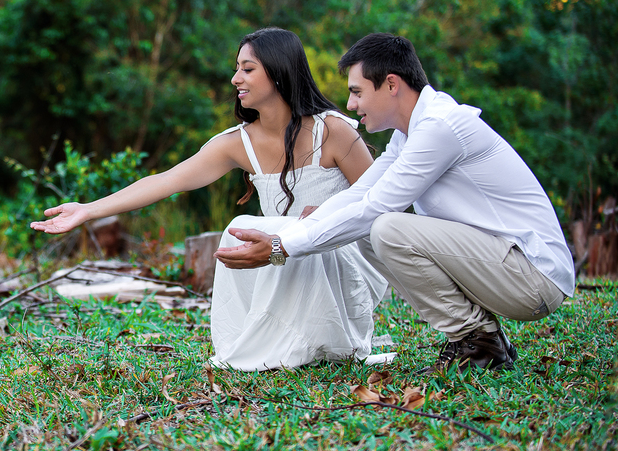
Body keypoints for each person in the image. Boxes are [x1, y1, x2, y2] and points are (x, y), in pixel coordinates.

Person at [31, 27, 391, 370]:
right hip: (284, 257)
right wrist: (87, 210)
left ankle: (319, 340)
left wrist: (327, 215)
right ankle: (259, 343)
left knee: (271, 229)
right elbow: (168, 180)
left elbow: (381, 206)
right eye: (236, 69)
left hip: (346, 265)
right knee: (243, 230)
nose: (236, 79)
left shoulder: (333, 132)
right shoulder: (239, 142)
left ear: (279, 73)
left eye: (247, 69)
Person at [215, 33, 575, 374]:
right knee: (373, 230)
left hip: (533, 279)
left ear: (391, 84)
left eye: (357, 92)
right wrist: (307, 224)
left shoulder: (439, 128)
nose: (351, 105)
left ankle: (477, 340)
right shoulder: (410, 135)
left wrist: (280, 247)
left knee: (385, 227)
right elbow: (360, 195)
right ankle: (481, 340)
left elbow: (375, 209)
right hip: (503, 267)